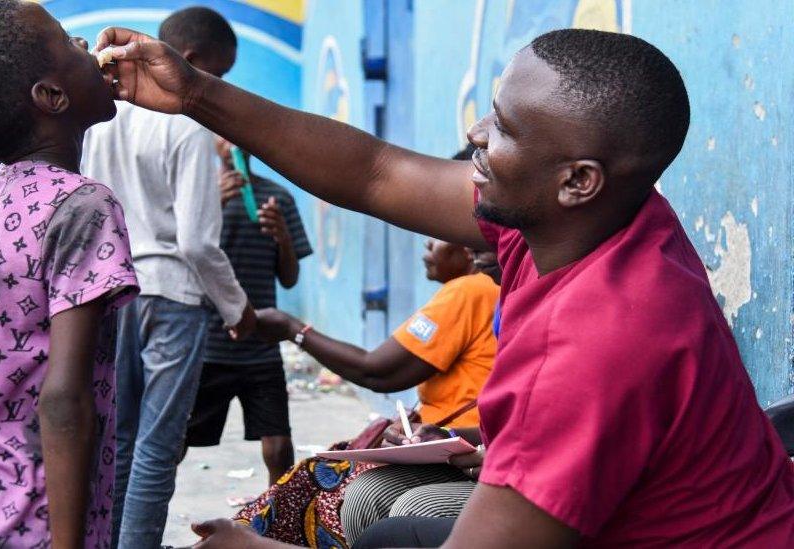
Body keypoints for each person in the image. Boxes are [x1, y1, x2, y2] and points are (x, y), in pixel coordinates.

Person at [97, 25, 794, 547]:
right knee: (385, 530)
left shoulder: (592, 346)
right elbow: (374, 170)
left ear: (577, 179)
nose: (476, 133)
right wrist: (194, 92)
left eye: (506, 129)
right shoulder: (594, 217)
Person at [0, 1, 139, 546]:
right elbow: (64, 398)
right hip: (28, 523)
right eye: (68, 40)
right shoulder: (82, 206)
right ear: (52, 97)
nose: (87, 46)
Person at [81, 7, 255, 547]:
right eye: (219, 75)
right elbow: (198, 241)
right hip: (172, 297)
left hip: (112, 293)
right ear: (192, 61)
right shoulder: (188, 127)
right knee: (158, 446)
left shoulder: (101, 119)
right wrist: (236, 307)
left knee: (121, 441)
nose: (218, 88)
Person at [236, 237, 498, 546]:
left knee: (325, 482)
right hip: (447, 439)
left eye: (440, 235)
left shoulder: (471, 290)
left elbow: (377, 370)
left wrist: (293, 330)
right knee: (357, 488)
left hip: (460, 450)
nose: (427, 244)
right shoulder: (484, 293)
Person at [184, 137, 312, 486]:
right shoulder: (194, 195)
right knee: (174, 441)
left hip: (261, 344)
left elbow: (288, 279)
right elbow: (183, 260)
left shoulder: (278, 198)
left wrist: (283, 237)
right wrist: (207, 206)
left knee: (279, 444)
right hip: (207, 343)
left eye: (236, 133)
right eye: (221, 135)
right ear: (210, 143)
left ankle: (276, 521)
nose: (231, 141)